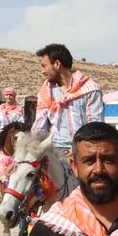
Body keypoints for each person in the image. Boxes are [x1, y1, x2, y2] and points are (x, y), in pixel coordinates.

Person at [31, 44, 105, 197]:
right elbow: (39, 127)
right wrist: (30, 149)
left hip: (84, 152)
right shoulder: (46, 91)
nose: (42, 71)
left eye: (44, 66)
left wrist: (77, 151)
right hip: (54, 152)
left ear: (57, 64)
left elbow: (95, 126)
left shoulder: (90, 89)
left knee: (93, 193)